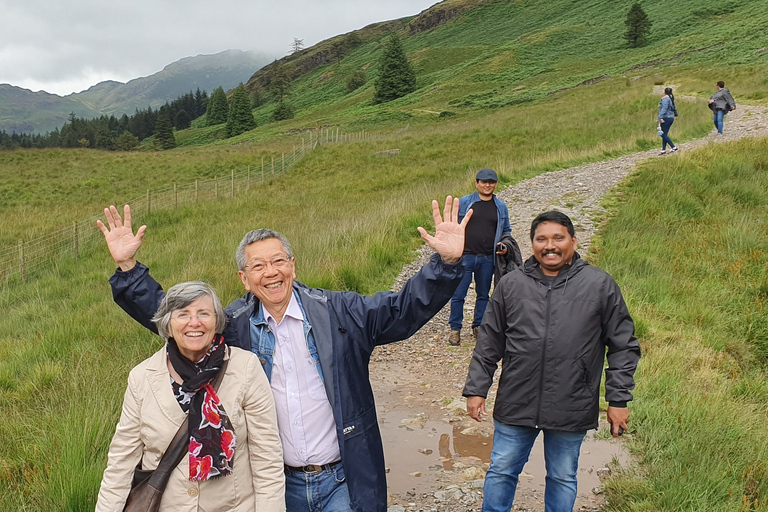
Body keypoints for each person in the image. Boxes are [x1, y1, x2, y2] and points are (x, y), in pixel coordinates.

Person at [96, 197, 470, 512]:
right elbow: (180, 318)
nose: (270, 273)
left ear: (292, 265)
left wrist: (446, 265)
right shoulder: (235, 326)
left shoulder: (342, 312)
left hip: (345, 477)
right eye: (257, 266)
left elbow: (401, 311)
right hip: (276, 484)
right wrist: (128, 269)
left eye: (278, 261)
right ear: (244, 278)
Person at [463, 211, 641, 512]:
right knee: (502, 471)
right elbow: (490, 341)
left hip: (572, 402)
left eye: (558, 238)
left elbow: (623, 346)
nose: (550, 246)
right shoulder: (511, 285)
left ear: (573, 240)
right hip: (517, 400)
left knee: (562, 476)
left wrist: (618, 399)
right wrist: (477, 389)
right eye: (541, 239)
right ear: (532, 243)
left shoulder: (600, 286)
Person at [95, 281, 285, 511]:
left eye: (204, 313)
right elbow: (120, 464)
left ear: (216, 322)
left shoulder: (246, 367)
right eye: (183, 314)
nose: (194, 323)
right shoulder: (142, 377)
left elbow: (267, 460)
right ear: (167, 325)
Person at [448, 168, 512, 346]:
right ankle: (455, 329)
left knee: (483, 294)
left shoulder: (500, 207)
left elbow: (506, 230)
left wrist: (505, 246)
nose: (487, 185)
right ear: (477, 183)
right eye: (483, 182)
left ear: (496, 184)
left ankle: (479, 327)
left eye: (491, 182)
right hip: (465, 257)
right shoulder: (465, 202)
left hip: (488, 258)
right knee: (458, 294)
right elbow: (452, 225)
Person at [657, 87, 679, 155]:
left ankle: (673, 147)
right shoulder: (672, 99)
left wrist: (659, 117)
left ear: (665, 92)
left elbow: (664, 108)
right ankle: (663, 150)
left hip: (665, 118)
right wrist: (676, 114)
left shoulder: (665, 99)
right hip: (670, 118)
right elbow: (674, 108)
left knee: (662, 134)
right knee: (665, 134)